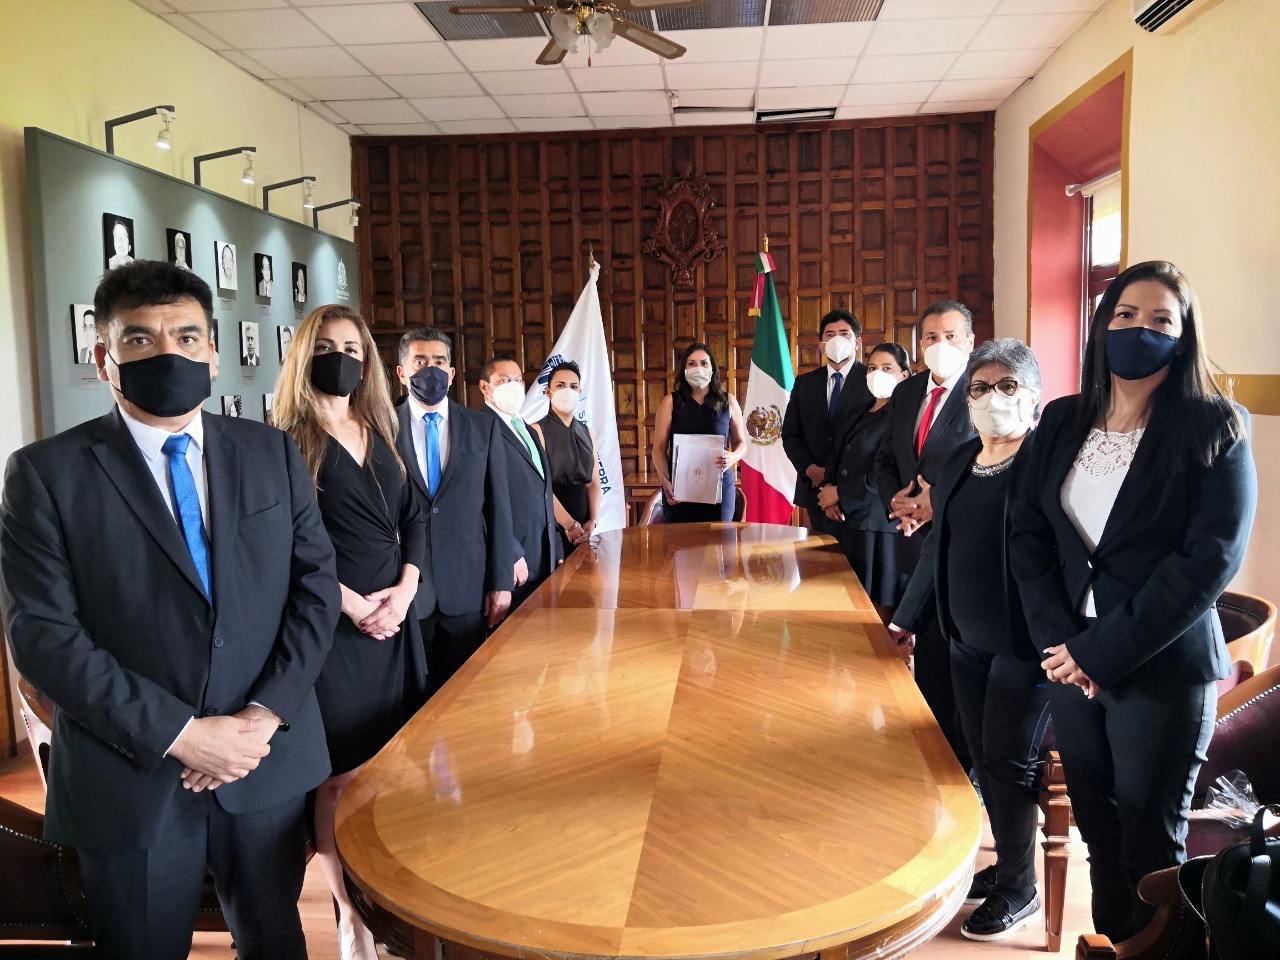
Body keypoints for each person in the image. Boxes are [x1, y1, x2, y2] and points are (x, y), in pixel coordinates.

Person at [0, 260, 340, 960]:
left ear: (213, 352)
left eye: (186, 337)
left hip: (262, 763)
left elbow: (315, 591)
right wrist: (182, 734)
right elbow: (44, 637)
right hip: (131, 777)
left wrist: (260, 718)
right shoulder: (45, 474)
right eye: (140, 339)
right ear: (104, 359)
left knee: (276, 941)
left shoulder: (272, 453)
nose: (168, 353)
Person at [1010, 260, 1257, 943]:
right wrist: (1062, 646)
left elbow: (1210, 559)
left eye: (1160, 320)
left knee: (1151, 846)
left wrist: (1101, 652)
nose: (1139, 329)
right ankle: (1111, 949)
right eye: (1125, 314)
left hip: (1161, 669)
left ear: (1183, 337)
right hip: (1069, 664)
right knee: (1098, 834)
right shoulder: (1063, 420)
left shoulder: (1215, 425)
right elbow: (1027, 535)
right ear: (1102, 324)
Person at [273, 303, 427, 960]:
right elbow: (283, 546)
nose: (342, 358)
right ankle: (352, 919)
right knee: (337, 780)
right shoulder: (286, 440)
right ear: (305, 355)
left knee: (389, 770)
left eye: (354, 349)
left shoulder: (381, 428)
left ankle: (390, 894)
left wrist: (408, 587)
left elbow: (415, 514)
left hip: (396, 619)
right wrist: (352, 605)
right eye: (328, 347)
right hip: (334, 628)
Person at [890, 338, 1050, 941]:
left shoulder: (1046, 461)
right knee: (980, 756)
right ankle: (1007, 866)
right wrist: (906, 618)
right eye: (979, 388)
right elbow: (938, 545)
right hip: (964, 637)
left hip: (1026, 644)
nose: (991, 398)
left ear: (1034, 397)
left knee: (1008, 763)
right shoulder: (958, 459)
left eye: (1007, 386)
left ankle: (1019, 887)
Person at [873, 300, 978, 767]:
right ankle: (935, 759)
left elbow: (996, 459)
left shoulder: (983, 391)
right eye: (931, 337)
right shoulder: (907, 392)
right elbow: (884, 460)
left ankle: (966, 770)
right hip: (911, 540)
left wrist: (939, 502)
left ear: (970, 342)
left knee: (963, 665)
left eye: (951, 336)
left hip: (961, 547)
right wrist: (894, 501)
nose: (940, 345)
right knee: (929, 658)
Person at [394, 328, 515, 696]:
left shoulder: (483, 427)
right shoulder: (381, 427)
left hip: (467, 588)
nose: (430, 369)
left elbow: (499, 510)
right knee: (410, 702)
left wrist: (501, 582)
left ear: (451, 372)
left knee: (467, 697)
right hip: (404, 594)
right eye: (420, 362)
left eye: (439, 361)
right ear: (402, 373)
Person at [817, 342, 910, 614]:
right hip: (844, 520)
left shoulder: (904, 415)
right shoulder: (858, 410)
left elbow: (890, 469)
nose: (877, 373)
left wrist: (841, 493)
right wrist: (828, 490)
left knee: (874, 607)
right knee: (843, 602)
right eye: (872, 368)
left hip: (877, 524)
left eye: (887, 368)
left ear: (904, 375)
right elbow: (835, 454)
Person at [782, 308, 872, 537]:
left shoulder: (872, 381)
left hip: (858, 493)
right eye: (830, 335)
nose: (836, 339)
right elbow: (791, 434)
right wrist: (811, 470)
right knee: (821, 556)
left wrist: (841, 486)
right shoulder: (805, 383)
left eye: (844, 333)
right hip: (815, 490)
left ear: (857, 342)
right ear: (821, 345)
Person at [478, 357, 561, 608]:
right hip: (513, 566)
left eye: (517, 380)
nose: (513, 386)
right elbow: (481, 500)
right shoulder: (479, 429)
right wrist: (511, 554)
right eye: (504, 381)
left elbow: (543, 492)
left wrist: (556, 547)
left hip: (544, 558)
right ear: (485, 387)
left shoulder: (528, 429)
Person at [651, 342, 747, 523]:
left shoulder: (728, 401)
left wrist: (732, 457)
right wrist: (665, 481)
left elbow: (742, 444)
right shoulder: (670, 402)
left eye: (704, 363)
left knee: (720, 540)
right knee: (679, 540)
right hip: (679, 489)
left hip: (719, 487)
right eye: (692, 364)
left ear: (712, 369)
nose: (698, 368)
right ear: (684, 370)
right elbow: (659, 449)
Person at [529, 360, 601, 558]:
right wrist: (569, 525)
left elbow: (594, 483)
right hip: (553, 523)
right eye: (560, 385)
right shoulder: (537, 430)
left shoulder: (587, 432)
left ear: (580, 392)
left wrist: (593, 520)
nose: (567, 391)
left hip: (584, 526)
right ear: (548, 392)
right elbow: (540, 487)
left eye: (573, 386)